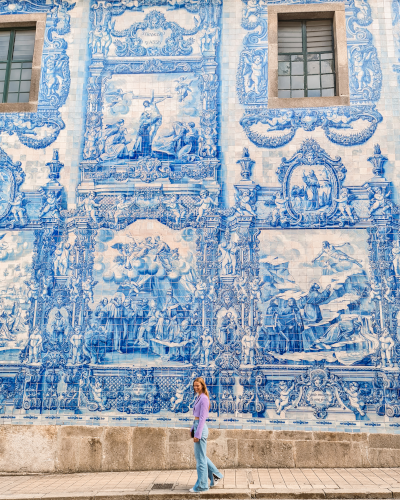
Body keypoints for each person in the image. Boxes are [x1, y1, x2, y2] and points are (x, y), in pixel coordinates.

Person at [190, 377, 223, 493]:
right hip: (198, 426)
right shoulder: (199, 397)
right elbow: (197, 417)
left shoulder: (204, 398)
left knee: (201, 459)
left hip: (201, 428)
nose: (196, 387)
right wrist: (192, 429)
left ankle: (202, 486)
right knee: (202, 456)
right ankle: (216, 475)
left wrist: (197, 433)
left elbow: (202, 418)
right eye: (194, 385)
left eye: (198, 385)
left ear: (202, 386)